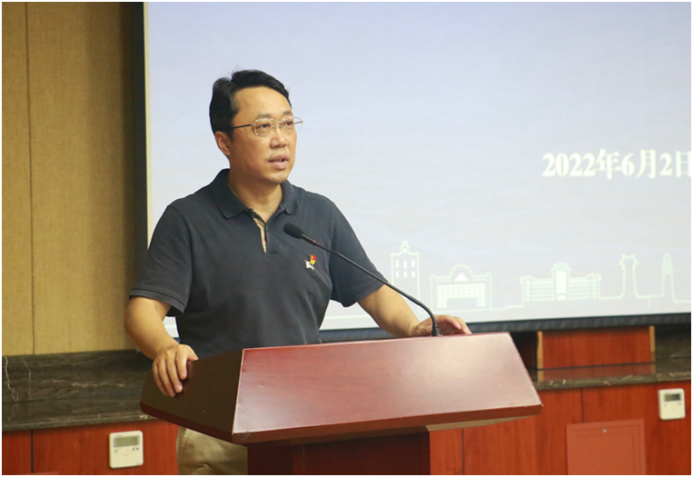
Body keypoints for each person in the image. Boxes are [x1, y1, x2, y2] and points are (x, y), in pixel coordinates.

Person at [124, 70, 471, 476]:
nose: (281, 139)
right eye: (263, 127)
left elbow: (373, 292)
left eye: (288, 124)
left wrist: (414, 329)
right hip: (220, 429)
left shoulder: (318, 213)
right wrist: (166, 349)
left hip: (305, 420)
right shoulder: (188, 219)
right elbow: (142, 312)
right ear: (224, 142)